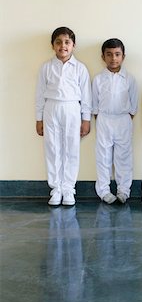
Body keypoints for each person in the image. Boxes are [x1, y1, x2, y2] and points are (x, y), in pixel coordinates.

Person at [36, 26, 92, 206]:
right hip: (51, 108)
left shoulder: (80, 68)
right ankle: (56, 189)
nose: (63, 46)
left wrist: (86, 119)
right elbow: (40, 93)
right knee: (52, 148)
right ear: (52, 45)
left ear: (73, 45)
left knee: (71, 148)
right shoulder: (46, 67)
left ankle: (68, 189)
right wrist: (39, 118)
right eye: (58, 42)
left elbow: (86, 95)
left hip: (72, 109)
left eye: (67, 42)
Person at [92, 38, 138, 204]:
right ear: (103, 57)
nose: (113, 58)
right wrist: (102, 119)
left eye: (117, 54)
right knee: (103, 156)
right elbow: (94, 104)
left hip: (123, 119)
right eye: (109, 54)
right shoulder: (98, 79)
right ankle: (103, 190)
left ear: (123, 56)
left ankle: (124, 190)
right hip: (104, 119)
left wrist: (124, 117)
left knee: (123, 156)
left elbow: (133, 105)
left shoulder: (129, 79)